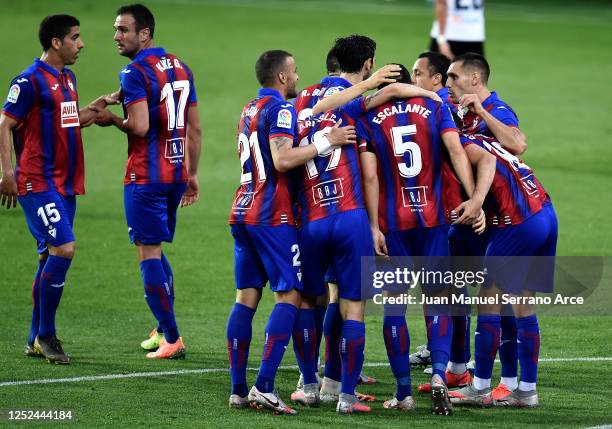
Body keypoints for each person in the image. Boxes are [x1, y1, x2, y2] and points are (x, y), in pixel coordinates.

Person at [312, 70, 493, 415]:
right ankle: (440, 374)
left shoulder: (366, 117)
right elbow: (456, 151)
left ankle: (404, 393)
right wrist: (474, 201)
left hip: (394, 224)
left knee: (394, 306)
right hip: (433, 220)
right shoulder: (435, 106)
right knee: (437, 300)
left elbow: (368, 174)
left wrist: (373, 226)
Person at [226, 49, 356, 414]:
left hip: (241, 209)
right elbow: (283, 159)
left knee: (245, 299)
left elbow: (312, 109)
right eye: (295, 72)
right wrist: (327, 142)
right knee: (290, 296)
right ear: (282, 77)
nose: (298, 78)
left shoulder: (249, 109)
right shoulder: (281, 109)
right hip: (272, 216)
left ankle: (238, 389)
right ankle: (265, 386)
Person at [0, 14, 111, 364]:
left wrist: (92, 111)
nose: (81, 44)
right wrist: (7, 174)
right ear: (56, 43)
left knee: (49, 255)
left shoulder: (68, 78)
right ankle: (47, 335)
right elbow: (4, 124)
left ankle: (34, 337)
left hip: (64, 184)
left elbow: (65, 119)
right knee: (64, 248)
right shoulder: (29, 80)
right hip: (36, 181)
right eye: (75, 37)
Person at [92, 4, 201, 360]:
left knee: (148, 254)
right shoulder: (181, 66)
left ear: (144, 34)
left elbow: (138, 126)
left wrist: (111, 119)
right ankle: (162, 325)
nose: (116, 37)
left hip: (145, 176)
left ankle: (172, 337)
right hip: (174, 174)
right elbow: (194, 127)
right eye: (116, 29)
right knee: (156, 249)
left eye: (123, 30)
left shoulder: (134, 71)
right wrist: (192, 174)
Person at [449, 134, 556, 408]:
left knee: (488, 300)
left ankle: (480, 387)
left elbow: (485, 165)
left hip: (518, 220)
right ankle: (527, 391)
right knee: (523, 303)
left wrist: (476, 201)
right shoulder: (480, 138)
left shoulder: (459, 143)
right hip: (544, 211)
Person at [447, 52, 528, 401]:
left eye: (453, 78)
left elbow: (517, 144)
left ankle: (507, 380)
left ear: (475, 80)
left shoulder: (497, 110)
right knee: (458, 291)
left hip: (499, 223)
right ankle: (461, 370)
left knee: (501, 300)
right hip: (472, 221)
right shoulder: (455, 109)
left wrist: (480, 112)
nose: (448, 84)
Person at [410, 51, 487, 393]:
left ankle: (460, 364)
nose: (413, 81)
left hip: (458, 213)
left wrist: (475, 199)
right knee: (448, 286)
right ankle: (450, 358)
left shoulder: (439, 104)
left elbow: (508, 146)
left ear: (436, 79)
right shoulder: (436, 103)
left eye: (417, 74)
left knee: (452, 287)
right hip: (448, 212)